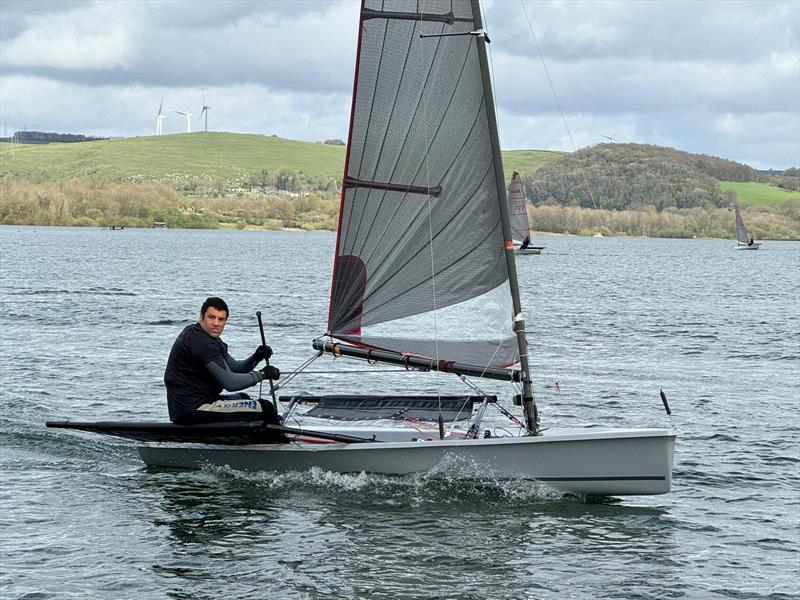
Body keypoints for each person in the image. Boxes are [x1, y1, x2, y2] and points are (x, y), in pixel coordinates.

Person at [164, 297, 281, 425]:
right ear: (201, 317)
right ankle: (281, 442)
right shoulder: (201, 342)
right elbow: (230, 383)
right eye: (211, 317)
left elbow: (234, 367)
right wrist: (262, 374)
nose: (216, 323)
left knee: (243, 398)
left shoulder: (206, 337)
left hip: (196, 404)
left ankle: (246, 441)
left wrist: (256, 358)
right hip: (193, 409)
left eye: (221, 319)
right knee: (265, 408)